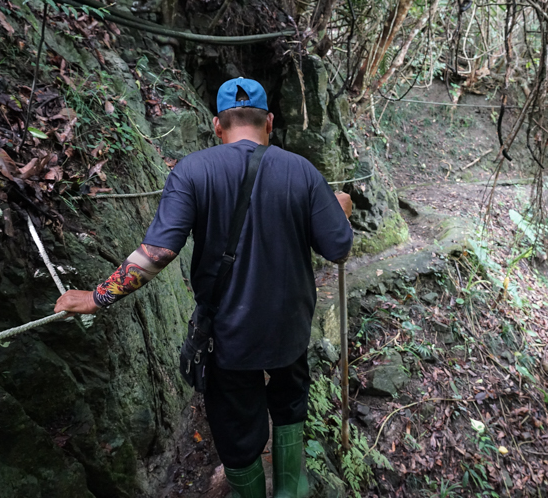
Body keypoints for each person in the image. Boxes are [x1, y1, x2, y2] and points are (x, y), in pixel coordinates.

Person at [55, 77, 353, 498]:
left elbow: (157, 253)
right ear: (269, 121)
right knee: (289, 403)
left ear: (217, 125)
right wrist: (340, 210)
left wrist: (97, 296)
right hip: (290, 328)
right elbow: (337, 247)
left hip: (230, 333)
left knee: (237, 429)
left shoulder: (193, 171)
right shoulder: (302, 171)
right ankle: (292, 490)